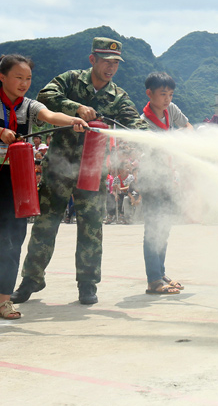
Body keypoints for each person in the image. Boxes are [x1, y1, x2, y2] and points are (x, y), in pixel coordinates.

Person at [0, 54, 88, 321]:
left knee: (13, 242)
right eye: (18, 77)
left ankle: (4, 302)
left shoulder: (29, 106)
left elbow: (49, 115)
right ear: (2, 77)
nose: (24, 83)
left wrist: (71, 119)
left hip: (13, 182)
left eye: (28, 79)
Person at [11, 37, 147, 306]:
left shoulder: (118, 96)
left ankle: (87, 284)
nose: (111, 67)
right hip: (59, 167)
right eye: (106, 61)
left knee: (91, 229)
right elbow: (44, 96)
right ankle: (31, 280)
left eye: (116, 63)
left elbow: (135, 123)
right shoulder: (70, 80)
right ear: (92, 60)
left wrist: (148, 137)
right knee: (45, 224)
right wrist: (75, 108)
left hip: (93, 170)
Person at [138, 72, 192, 295]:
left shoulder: (172, 110)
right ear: (149, 94)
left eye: (170, 94)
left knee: (164, 227)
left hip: (168, 176)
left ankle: (159, 272)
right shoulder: (143, 122)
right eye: (163, 94)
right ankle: (153, 280)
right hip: (151, 179)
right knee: (153, 229)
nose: (167, 99)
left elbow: (188, 127)